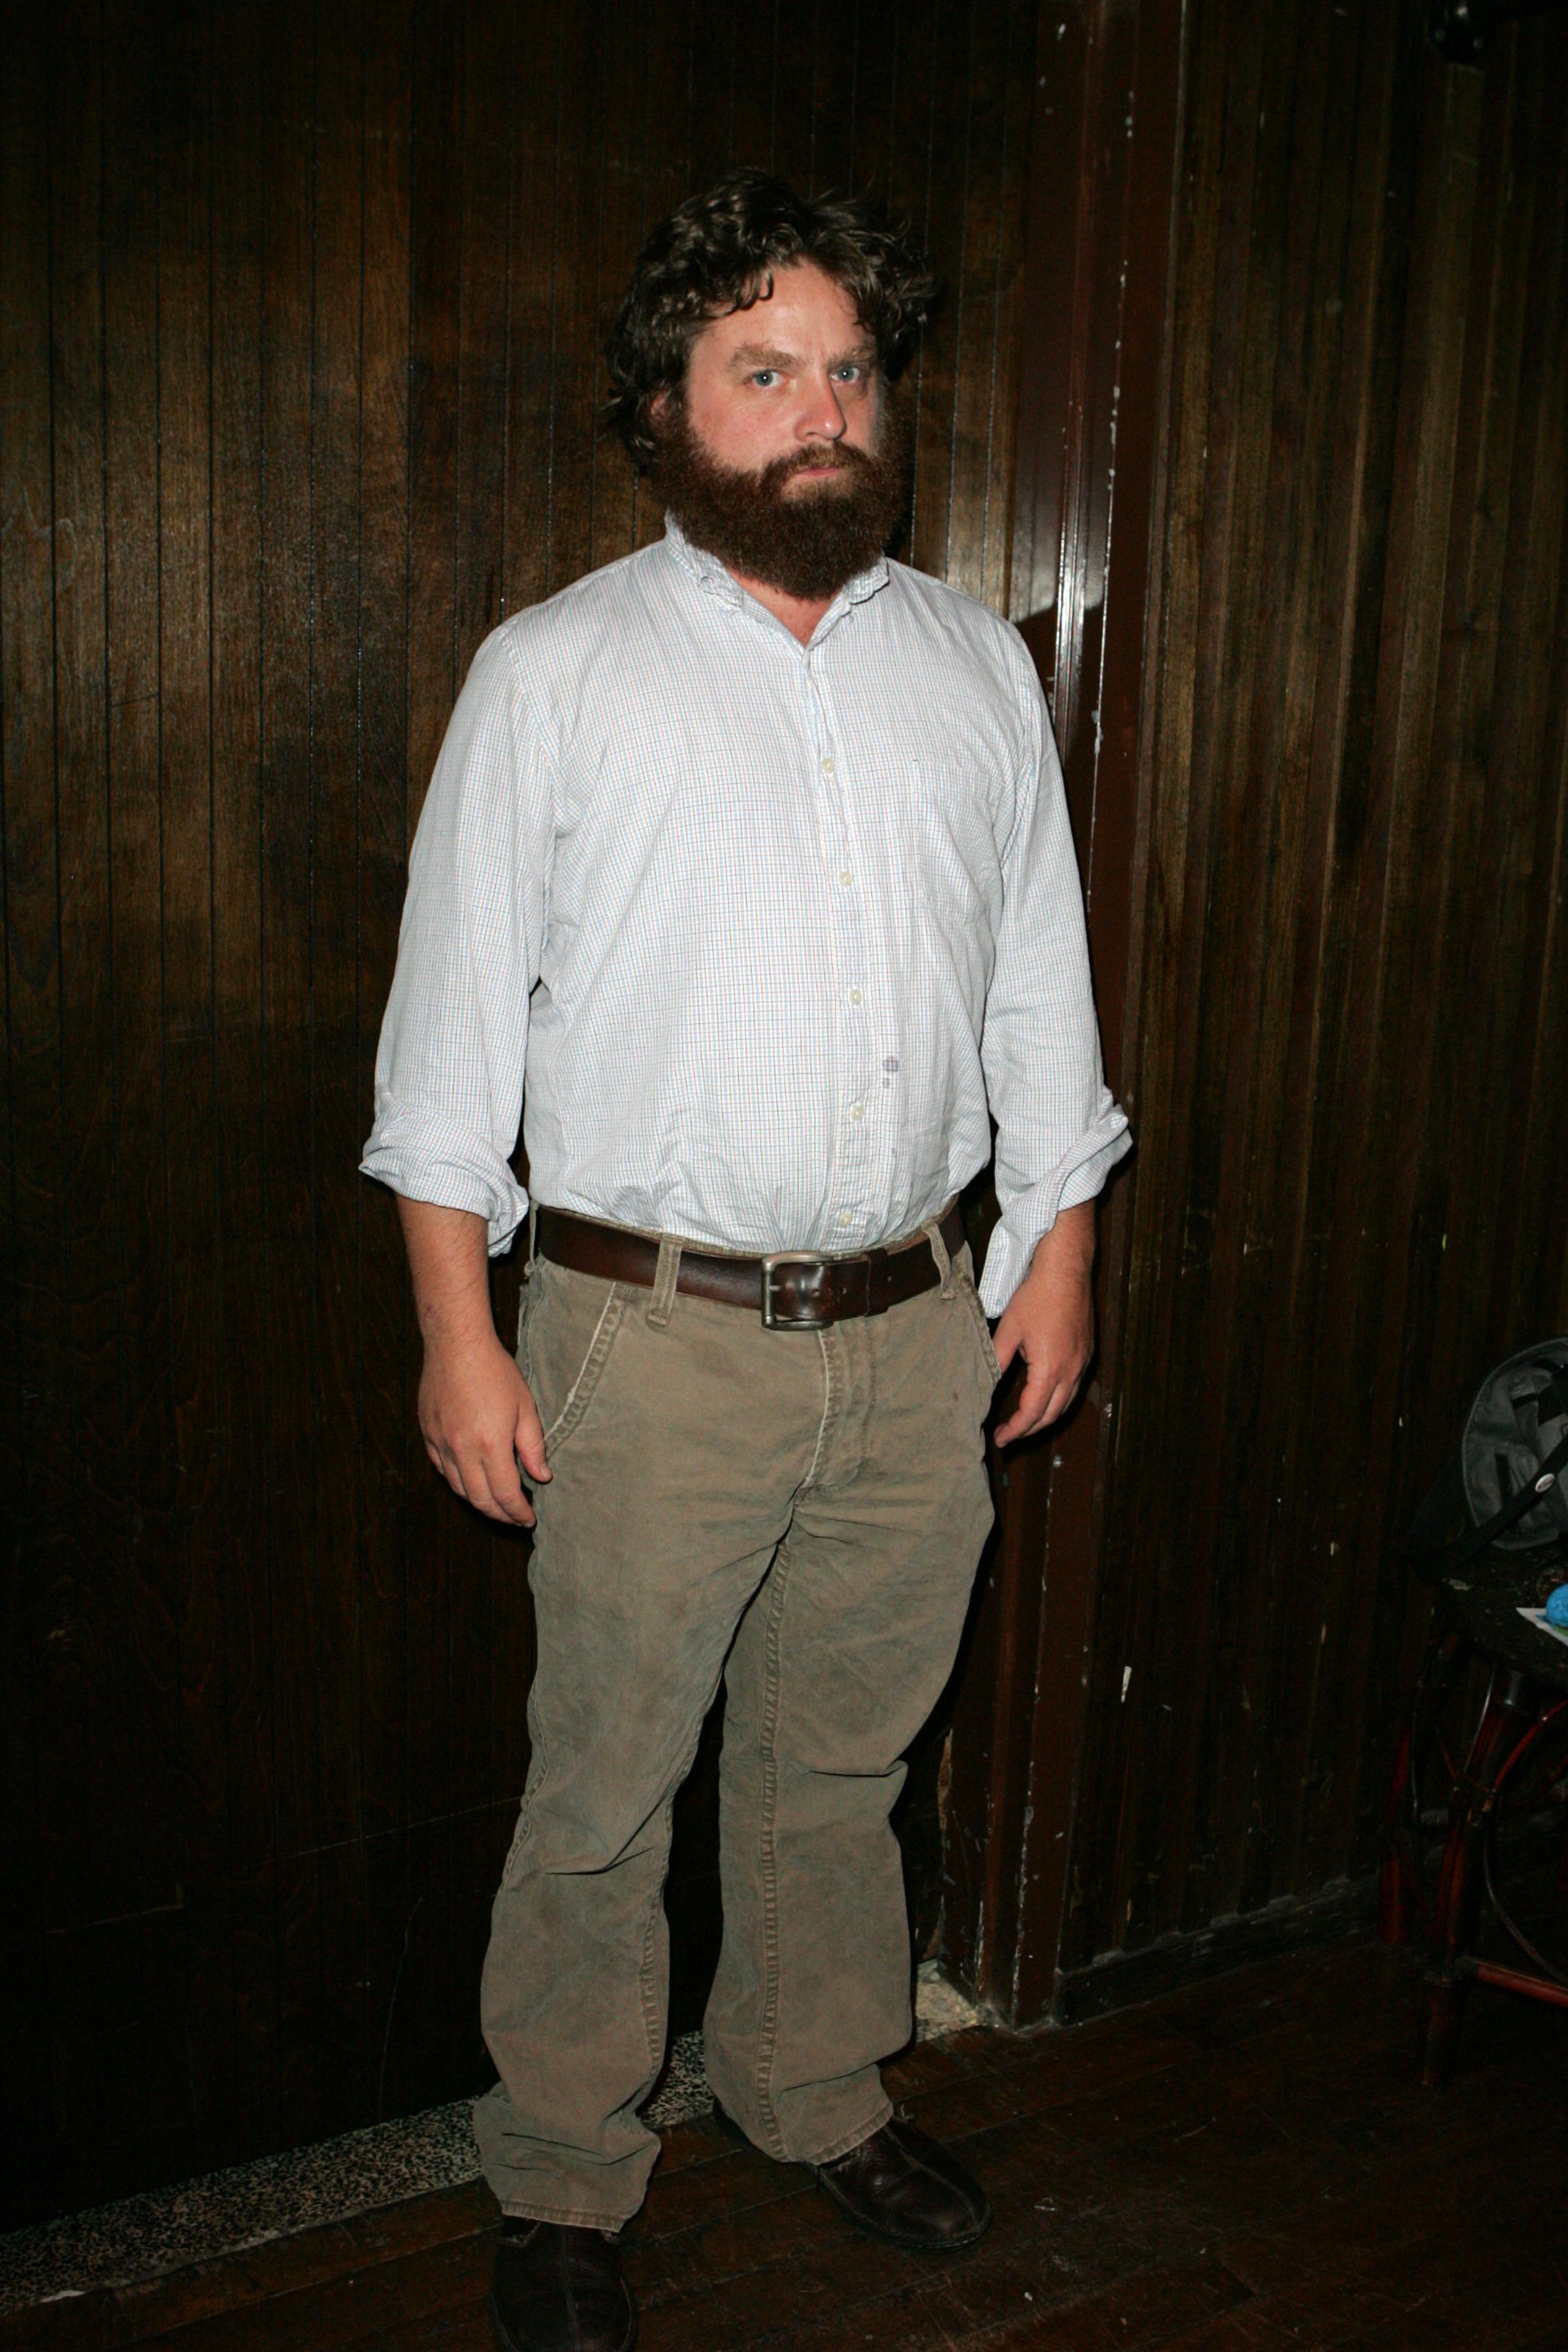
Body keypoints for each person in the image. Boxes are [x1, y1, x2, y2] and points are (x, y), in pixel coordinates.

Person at [363, 169, 1130, 2352]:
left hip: (915, 1329)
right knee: (604, 1791)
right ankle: (567, 2175)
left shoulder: (974, 660)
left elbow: (1039, 992)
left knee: (842, 1761)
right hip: (641, 1337)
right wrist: (455, 1338)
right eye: (763, 371)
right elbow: (441, 1053)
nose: (818, 412)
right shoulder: (558, 671)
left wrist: (1053, 1245)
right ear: (671, 410)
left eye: (848, 372)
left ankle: (809, 2083)